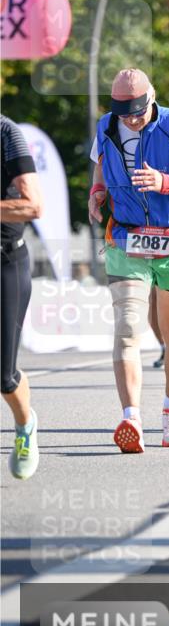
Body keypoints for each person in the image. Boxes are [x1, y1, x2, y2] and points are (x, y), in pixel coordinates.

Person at [88, 68, 169, 453]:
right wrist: (96, 192)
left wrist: (167, 183)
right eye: (123, 113)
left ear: (152, 98)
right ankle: (131, 418)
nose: (130, 119)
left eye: (137, 112)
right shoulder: (106, 127)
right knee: (127, 328)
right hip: (126, 238)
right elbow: (99, 169)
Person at [1, 115, 43, 480]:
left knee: (3, 375)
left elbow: (33, 205)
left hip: (5, 263)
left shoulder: (6, 133)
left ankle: (25, 424)